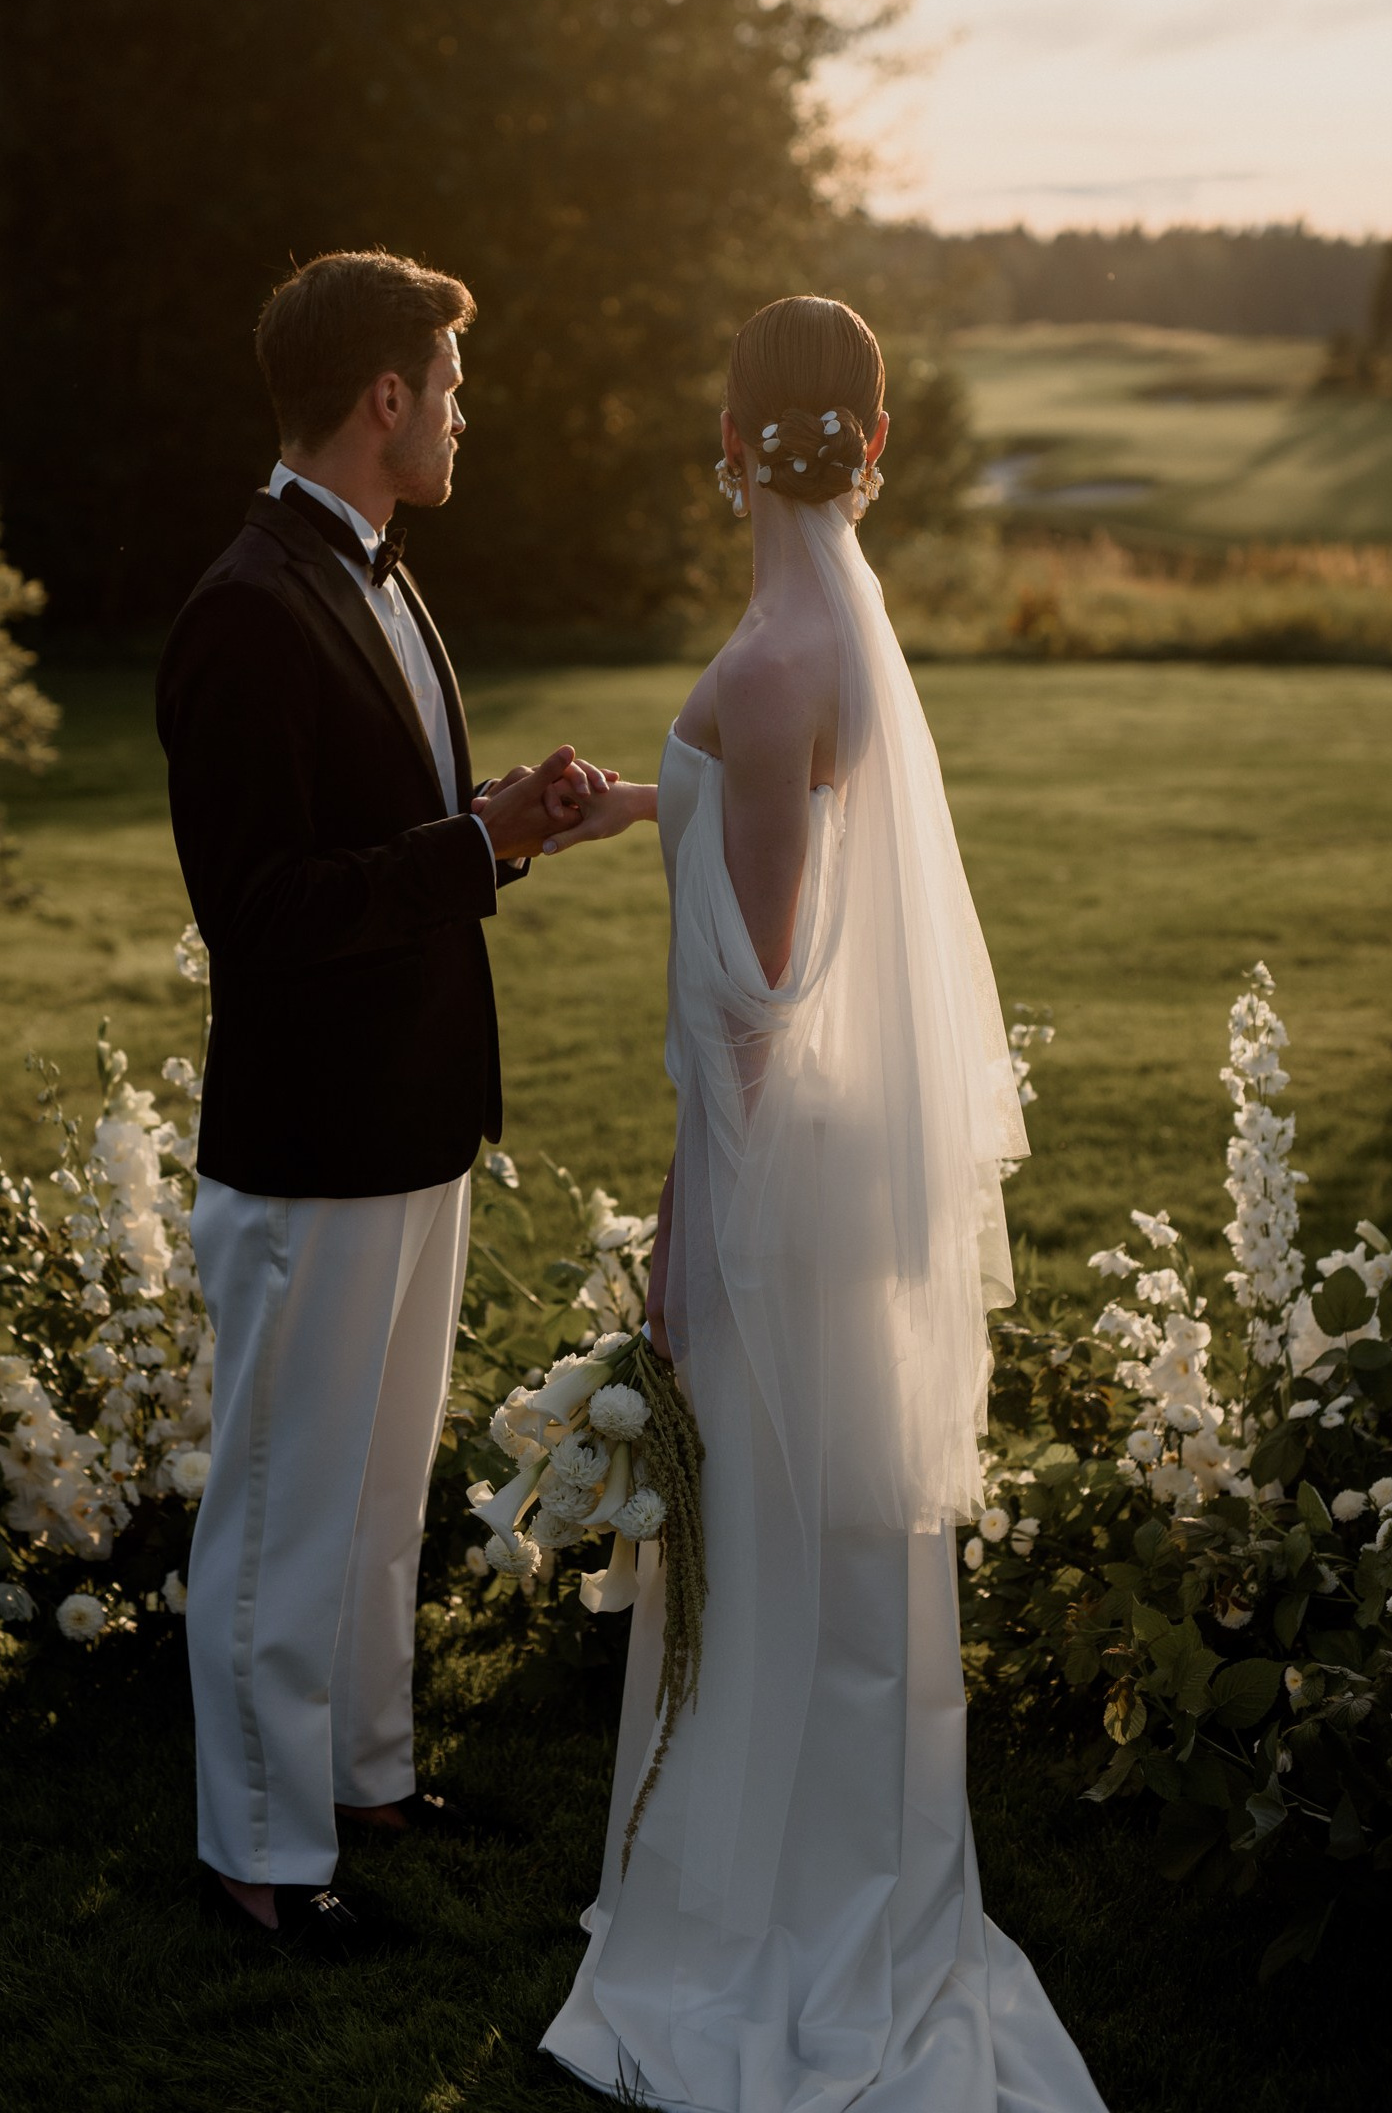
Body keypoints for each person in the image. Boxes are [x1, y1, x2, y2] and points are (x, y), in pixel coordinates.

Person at [538, 297, 1110, 2109]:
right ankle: (840, 1872)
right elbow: (773, 824)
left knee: (777, 1543)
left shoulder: (779, 658)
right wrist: (648, 802)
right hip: (833, 1175)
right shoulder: (826, 644)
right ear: (866, 450)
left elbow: (763, 1007)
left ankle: (778, 1918)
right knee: (830, 1557)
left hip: (776, 1193)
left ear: (733, 443)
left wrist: (685, 1224)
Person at [155, 249, 616, 1956]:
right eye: (452, 381)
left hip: (414, 1120)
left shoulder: (385, 580)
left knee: (373, 1490)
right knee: (283, 1505)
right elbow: (261, 917)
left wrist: (492, 815)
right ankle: (260, 1861)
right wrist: (474, 844)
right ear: (387, 398)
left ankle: (363, 1779)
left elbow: (395, 843)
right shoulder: (246, 606)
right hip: (308, 1145)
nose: (465, 410)